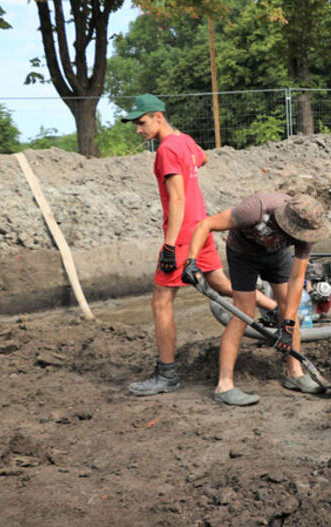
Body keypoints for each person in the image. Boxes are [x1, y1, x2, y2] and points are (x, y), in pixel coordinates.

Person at [122, 94, 276, 397]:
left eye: (141, 122)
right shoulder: (184, 141)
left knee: (161, 302)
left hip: (181, 236)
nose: (138, 129)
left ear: (157, 117)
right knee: (220, 284)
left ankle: (166, 373)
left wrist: (169, 246)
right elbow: (202, 158)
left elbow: (177, 198)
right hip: (200, 228)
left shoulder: (166, 150)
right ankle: (273, 307)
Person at [181, 193, 330, 406]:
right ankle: (224, 385)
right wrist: (191, 261)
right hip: (243, 254)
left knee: (289, 309)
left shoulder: (308, 231)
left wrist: (287, 323)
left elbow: (297, 279)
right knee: (244, 313)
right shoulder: (255, 210)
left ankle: (295, 373)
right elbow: (206, 224)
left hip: (277, 256)